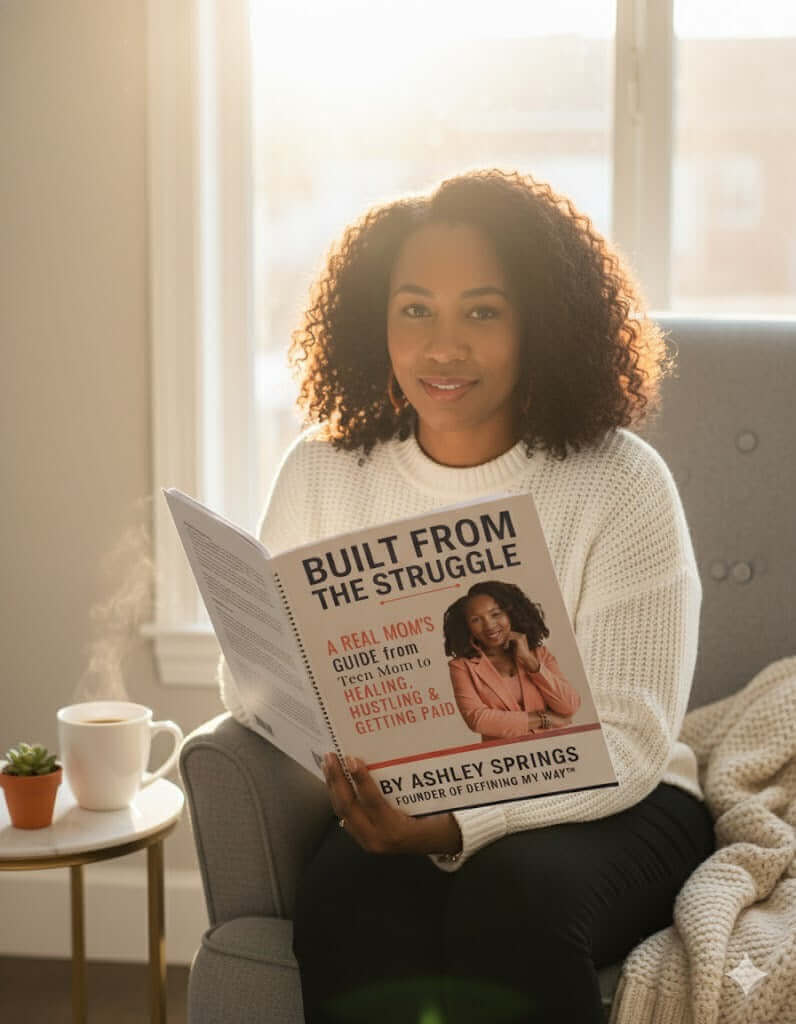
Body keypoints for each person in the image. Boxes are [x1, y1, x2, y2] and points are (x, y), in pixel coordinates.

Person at [218, 168, 715, 1022]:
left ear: (539, 326)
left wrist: (452, 827)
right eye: (415, 310)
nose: (442, 348)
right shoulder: (323, 469)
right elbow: (259, 681)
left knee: (509, 905)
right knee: (342, 904)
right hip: (405, 802)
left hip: (619, 802)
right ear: (377, 321)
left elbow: (631, 742)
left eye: (482, 312)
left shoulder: (621, 482)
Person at [443, 580, 581, 741]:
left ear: (511, 614)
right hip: (506, 759)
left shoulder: (539, 655)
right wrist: (546, 719)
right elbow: (478, 719)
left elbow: (569, 705)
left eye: (496, 614)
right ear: (467, 627)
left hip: (557, 751)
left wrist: (530, 661)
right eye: (476, 620)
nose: (489, 625)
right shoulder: (462, 667)